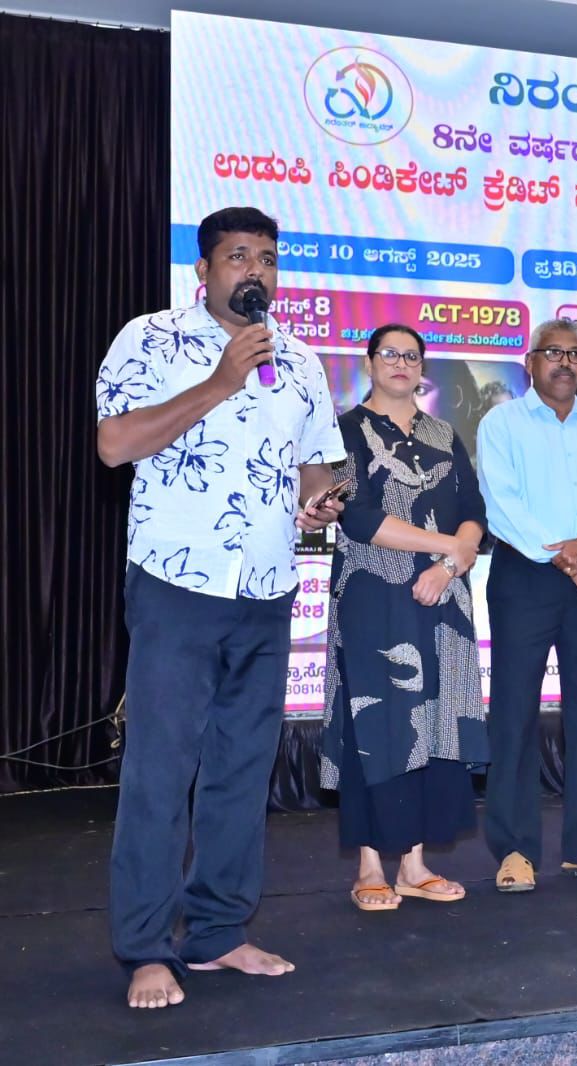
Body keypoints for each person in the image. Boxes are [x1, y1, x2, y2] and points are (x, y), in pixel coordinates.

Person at [95, 206, 346, 1009]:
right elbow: (114, 444)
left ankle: (217, 933)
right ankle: (145, 947)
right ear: (203, 271)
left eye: (267, 258)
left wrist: (321, 502)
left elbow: (318, 468)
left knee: (241, 772)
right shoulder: (150, 339)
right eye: (238, 257)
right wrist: (220, 382)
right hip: (178, 582)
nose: (255, 271)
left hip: (267, 587)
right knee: (161, 770)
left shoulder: (299, 359)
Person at [319, 325, 490, 911]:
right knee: (375, 724)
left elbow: (473, 510)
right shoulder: (345, 430)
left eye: (411, 356)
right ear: (369, 363)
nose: (400, 363)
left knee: (433, 724)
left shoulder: (443, 433)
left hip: (442, 600)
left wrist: (449, 564)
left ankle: (414, 866)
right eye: (389, 353)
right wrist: (450, 548)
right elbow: (359, 518)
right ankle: (369, 867)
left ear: (422, 369)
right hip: (374, 596)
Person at [476, 317, 577, 891]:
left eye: (575, 354)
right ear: (531, 363)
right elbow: (504, 505)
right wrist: (574, 563)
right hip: (527, 576)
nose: (565, 363)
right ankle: (515, 849)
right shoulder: (502, 423)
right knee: (515, 713)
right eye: (553, 352)